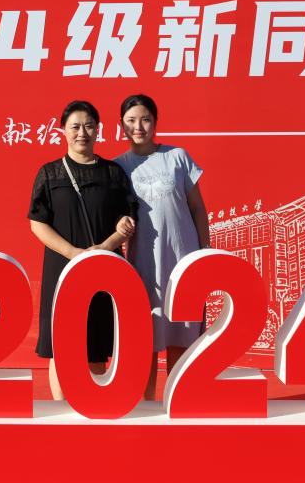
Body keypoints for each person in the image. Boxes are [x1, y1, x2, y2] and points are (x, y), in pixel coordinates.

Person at [29, 100, 136, 400]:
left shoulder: (113, 173)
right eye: (75, 126)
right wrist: (73, 253)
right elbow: (37, 223)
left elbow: (128, 219)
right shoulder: (50, 174)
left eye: (89, 126)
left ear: (98, 130)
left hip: (104, 266)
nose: (82, 133)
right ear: (63, 130)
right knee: (60, 344)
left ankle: (94, 406)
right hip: (61, 268)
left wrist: (104, 247)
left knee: (96, 341)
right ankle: (61, 409)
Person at [115, 94, 210, 401]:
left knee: (183, 331)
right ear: (122, 126)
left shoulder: (177, 157)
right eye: (131, 121)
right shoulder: (118, 167)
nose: (138, 127)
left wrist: (204, 252)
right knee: (145, 335)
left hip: (183, 258)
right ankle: (146, 406)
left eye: (145, 119)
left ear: (155, 122)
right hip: (144, 264)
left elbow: (197, 208)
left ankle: (179, 401)